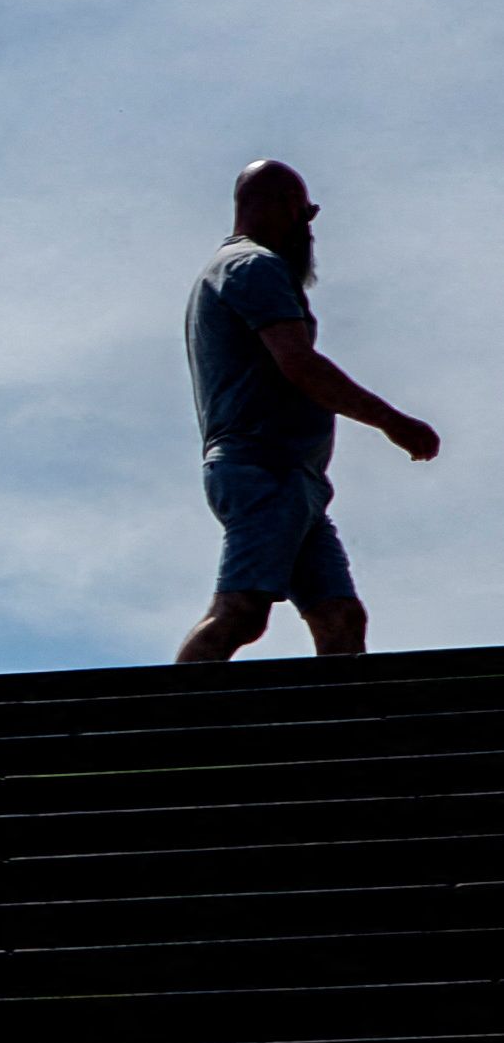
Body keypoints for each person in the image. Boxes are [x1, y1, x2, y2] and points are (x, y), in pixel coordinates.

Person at [176, 158, 436, 665]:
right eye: (305, 212)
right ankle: (162, 728)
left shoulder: (239, 269)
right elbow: (299, 364)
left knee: (340, 618)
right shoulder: (254, 267)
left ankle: (341, 735)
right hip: (262, 470)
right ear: (277, 206)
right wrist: (393, 422)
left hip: (296, 480)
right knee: (241, 609)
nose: (307, 228)